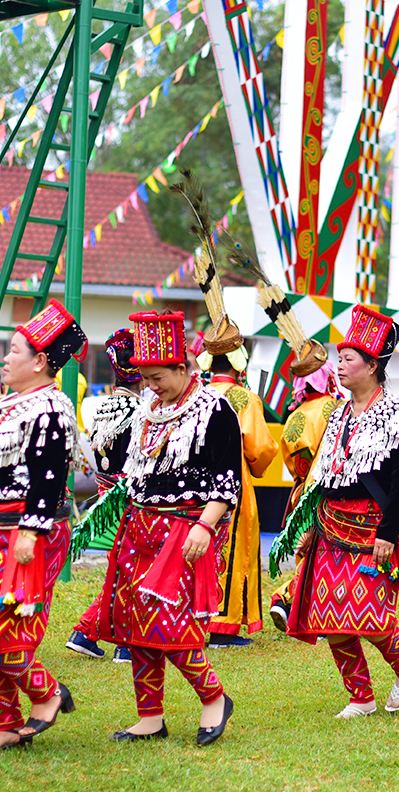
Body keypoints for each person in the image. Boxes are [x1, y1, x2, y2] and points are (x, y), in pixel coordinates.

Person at [95, 310, 238, 745]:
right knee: (135, 623)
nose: (151, 386)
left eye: (158, 377)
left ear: (182, 367)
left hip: (184, 528)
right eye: (145, 379)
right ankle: (150, 716)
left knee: (172, 623)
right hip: (138, 526)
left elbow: (227, 479)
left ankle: (214, 698)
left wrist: (204, 526)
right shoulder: (147, 409)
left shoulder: (214, 408)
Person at [0, 300, 84, 754]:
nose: (3, 357)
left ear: (40, 361)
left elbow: (49, 474)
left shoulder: (52, 406)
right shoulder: (9, 404)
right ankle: (4, 723)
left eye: (13, 350)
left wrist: (32, 529)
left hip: (26, 531)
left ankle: (45, 692)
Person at [284, 306, 399, 718]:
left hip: (372, 528)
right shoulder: (339, 413)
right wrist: (311, 523)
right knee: (329, 615)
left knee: (370, 615)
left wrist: (388, 532)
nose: (339, 365)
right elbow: (324, 471)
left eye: (348, 359)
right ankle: (360, 695)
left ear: (373, 365)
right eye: (339, 358)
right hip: (331, 524)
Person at [67, 329, 143, 661]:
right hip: (130, 499)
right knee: (134, 568)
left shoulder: (101, 407)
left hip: (104, 495)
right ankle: (120, 640)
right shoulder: (141, 411)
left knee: (123, 568)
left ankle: (88, 632)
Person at [203, 344, 277, 647]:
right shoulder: (245, 398)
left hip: (194, 483)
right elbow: (260, 448)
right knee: (232, 551)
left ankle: (195, 619)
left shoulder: (196, 395)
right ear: (237, 363)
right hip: (232, 483)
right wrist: (255, 468)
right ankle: (222, 626)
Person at [269, 362, 341, 632]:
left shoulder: (295, 414)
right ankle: (288, 599)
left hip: (300, 490)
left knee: (306, 554)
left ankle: (301, 611)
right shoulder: (333, 408)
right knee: (324, 556)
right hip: (325, 490)